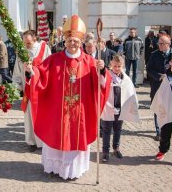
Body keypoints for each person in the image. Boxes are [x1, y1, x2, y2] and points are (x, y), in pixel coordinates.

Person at [24, 14, 111, 180]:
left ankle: (73, 170)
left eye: (76, 41)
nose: (73, 44)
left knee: (76, 138)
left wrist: (101, 71)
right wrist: (31, 72)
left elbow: (101, 84)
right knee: (56, 134)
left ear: (81, 43)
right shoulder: (53, 60)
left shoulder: (90, 62)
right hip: (58, 110)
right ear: (65, 41)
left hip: (80, 112)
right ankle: (54, 167)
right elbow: (40, 76)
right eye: (70, 40)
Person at [12, 30, 51, 152]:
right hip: (28, 89)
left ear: (35, 39)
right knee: (29, 116)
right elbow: (17, 69)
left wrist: (35, 71)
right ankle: (31, 141)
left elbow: (49, 66)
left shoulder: (44, 49)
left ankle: (43, 141)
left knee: (43, 116)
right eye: (24, 42)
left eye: (28, 43)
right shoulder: (22, 51)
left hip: (42, 88)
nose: (26, 45)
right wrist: (16, 84)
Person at [101, 55, 140, 162]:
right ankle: (105, 151)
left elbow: (131, 92)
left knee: (118, 129)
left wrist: (134, 104)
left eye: (119, 66)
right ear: (110, 65)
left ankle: (116, 148)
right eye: (115, 66)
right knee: (106, 130)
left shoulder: (126, 78)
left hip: (120, 108)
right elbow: (101, 87)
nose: (117, 68)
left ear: (123, 66)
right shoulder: (106, 76)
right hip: (108, 108)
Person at [147, 35, 172, 141]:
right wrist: (160, 76)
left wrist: (170, 77)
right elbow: (149, 69)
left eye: (161, 43)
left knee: (171, 109)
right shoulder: (154, 54)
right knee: (158, 109)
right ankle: (158, 131)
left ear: (168, 44)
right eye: (158, 43)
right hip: (157, 86)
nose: (158, 45)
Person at [151, 55, 172, 161]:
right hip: (169, 109)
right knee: (166, 131)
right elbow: (161, 94)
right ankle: (162, 150)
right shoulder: (168, 77)